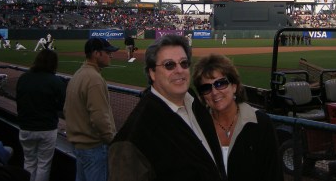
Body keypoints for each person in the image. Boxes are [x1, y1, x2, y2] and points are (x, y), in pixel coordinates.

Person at [108, 34, 227, 181]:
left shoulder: (192, 99)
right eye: (169, 65)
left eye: (184, 63)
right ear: (152, 73)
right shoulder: (133, 138)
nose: (179, 70)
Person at [192, 53, 283, 181]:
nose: (214, 92)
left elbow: (273, 174)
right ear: (202, 95)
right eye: (206, 88)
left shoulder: (261, 123)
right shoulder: (196, 126)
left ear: (234, 86)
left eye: (220, 83)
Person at [64, 38, 119, 181]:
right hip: (94, 147)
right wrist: (112, 141)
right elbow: (99, 118)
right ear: (96, 54)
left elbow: (66, 110)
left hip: (79, 146)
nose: (111, 55)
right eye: (107, 52)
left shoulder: (78, 74)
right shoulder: (94, 79)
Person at [16, 49, 66, 181]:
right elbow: (62, 106)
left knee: (28, 162)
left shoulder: (23, 78)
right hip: (46, 128)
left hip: (26, 127)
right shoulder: (55, 81)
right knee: (44, 165)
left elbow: (19, 101)